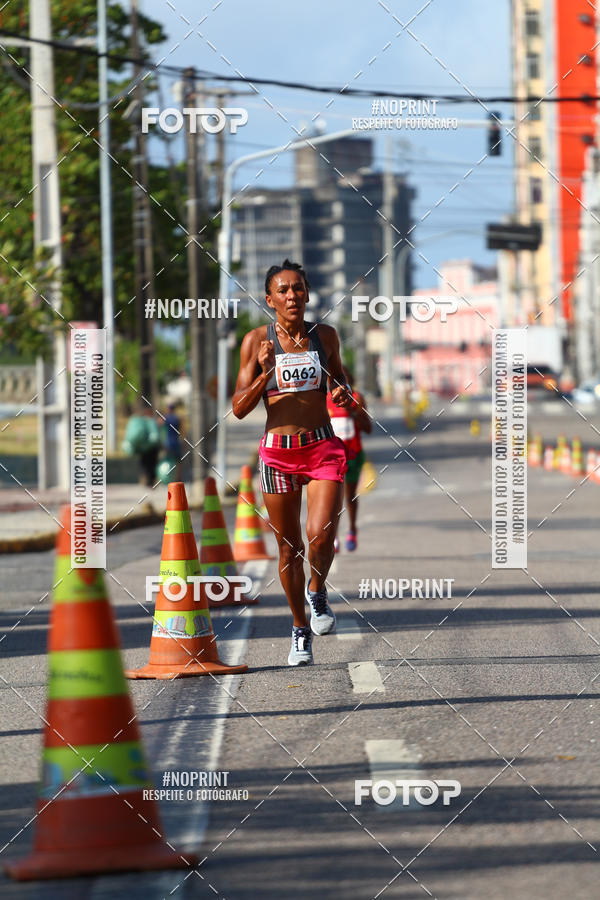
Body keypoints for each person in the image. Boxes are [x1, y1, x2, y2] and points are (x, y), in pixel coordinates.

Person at [232, 259, 355, 666]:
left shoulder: (326, 337)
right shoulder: (255, 341)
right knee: (288, 549)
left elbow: (340, 383)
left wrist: (341, 394)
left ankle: (316, 590)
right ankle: (300, 630)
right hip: (277, 454)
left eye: (298, 288)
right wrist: (264, 373)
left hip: (322, 448)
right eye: (283, 290)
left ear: (306, 293)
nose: (292, 296)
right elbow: (238, 408)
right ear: (269, 299)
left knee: (320, 536)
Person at [327, 367, 371, 552]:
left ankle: (352, 529)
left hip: (353, 454)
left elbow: (368, 428)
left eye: (341, 382)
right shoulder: (324, 401)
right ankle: (333, 536)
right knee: (332, 498)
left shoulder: (357, 398)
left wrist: (354, 412)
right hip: (331, 456)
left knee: (349, 496)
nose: (337, 387)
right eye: (333, 383)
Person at [122, 400, 161, 486]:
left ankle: (145, 479)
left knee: (144, 463)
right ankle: (150, 481)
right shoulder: (150, 421)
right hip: (152, 448)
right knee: (152, 464)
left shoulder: (137, 420)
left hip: (142, 447)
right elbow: (156, 436)